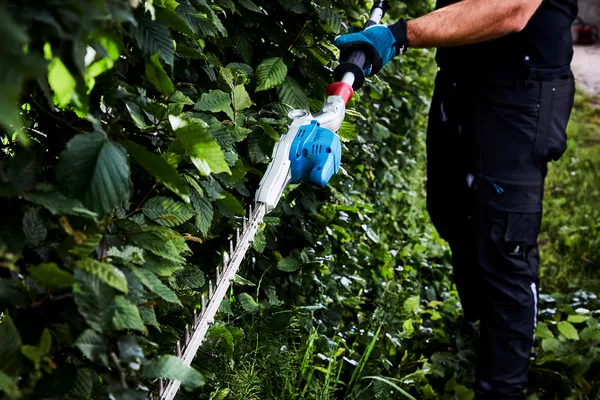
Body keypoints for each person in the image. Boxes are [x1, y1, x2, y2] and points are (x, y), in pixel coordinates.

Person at [335, 0, 578, 399]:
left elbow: (512, 8)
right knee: (450, 211)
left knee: (505, 247)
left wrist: (399, 35)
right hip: (460, 81)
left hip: (521, 92)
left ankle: (502, 387)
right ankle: (483, 333)